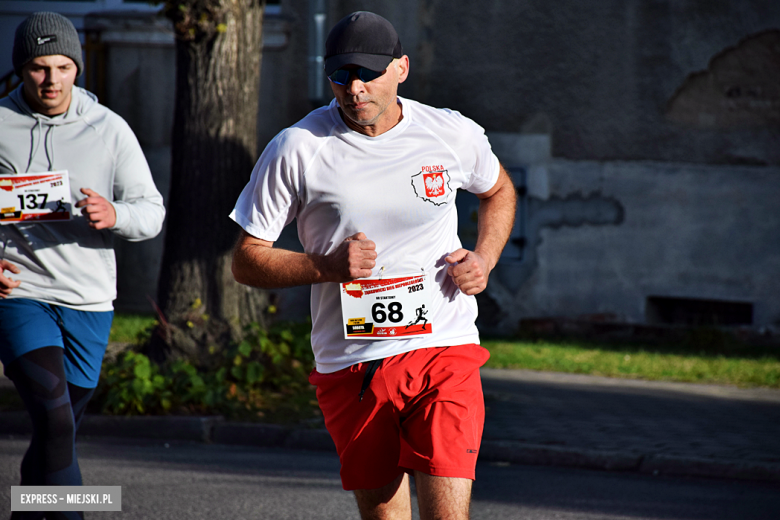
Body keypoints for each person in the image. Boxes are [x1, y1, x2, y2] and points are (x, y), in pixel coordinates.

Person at [230, 11, 515, 520]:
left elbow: (498, 190)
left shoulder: (448, 132)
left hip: (442, 347)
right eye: (341, 75)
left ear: (401, 68)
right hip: (353, 363)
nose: (354, 87)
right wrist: (324, 266)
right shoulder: (298, 148)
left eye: (367, 73)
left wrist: (485, 258)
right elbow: (246, 260)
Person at [0, 12, 165, 520]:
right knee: (54, 420)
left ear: (78, 67)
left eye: (62, 67)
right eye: (38, 68)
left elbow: (151, 211)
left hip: (89, 301)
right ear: (20, 69)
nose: (51, 80)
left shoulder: (109, 130)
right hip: (19, 293)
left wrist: (115, 214)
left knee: (59, 426)